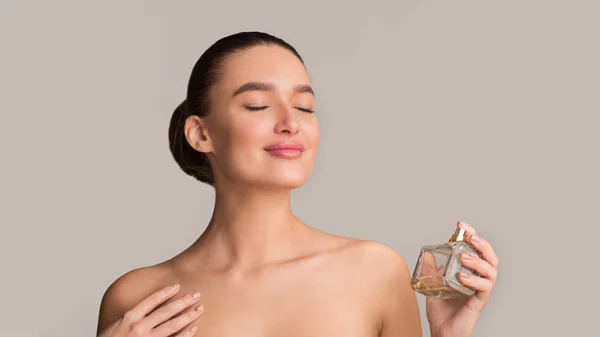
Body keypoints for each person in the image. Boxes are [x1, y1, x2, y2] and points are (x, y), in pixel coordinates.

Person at [96, 31, 499, 337]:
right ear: (201, 134)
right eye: (258, 105)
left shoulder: (373, 272)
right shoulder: (139, 298)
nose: (291, 123)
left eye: (305, 106)